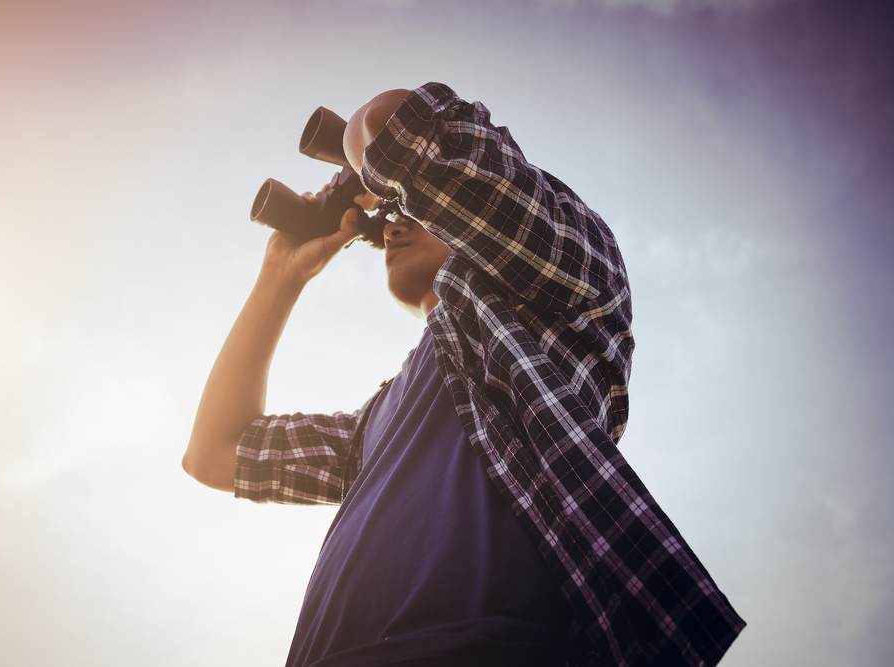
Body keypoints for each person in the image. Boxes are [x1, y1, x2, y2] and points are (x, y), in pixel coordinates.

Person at [182, 83, 745, 667]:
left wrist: (368, 172)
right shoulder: (376, 426)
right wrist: (282, 276)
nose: (392, 228)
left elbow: (394, 128)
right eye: (388, 223)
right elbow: (216, 453)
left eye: (410, 212)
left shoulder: (566, 290)